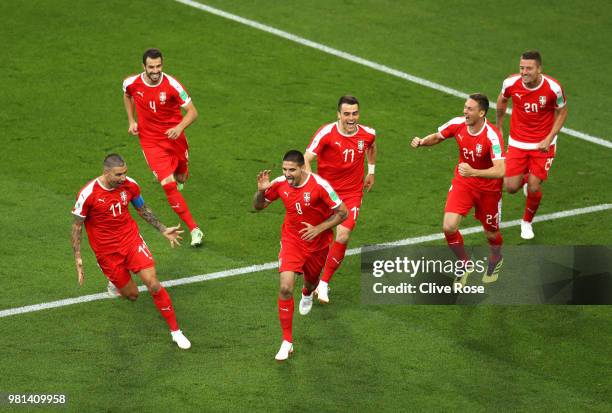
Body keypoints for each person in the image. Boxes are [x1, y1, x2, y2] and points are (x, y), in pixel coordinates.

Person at [71, 154, 191, 349]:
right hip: (107, 252)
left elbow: (142, 208)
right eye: (119, 174)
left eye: (125, 173)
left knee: (153, 283)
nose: (123, 178)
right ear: (106, 172)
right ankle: (113, 280)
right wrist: (78, 257)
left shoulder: (130, 185)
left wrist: (162, 229)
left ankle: (176, 332)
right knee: (132, 295)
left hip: (131, 241)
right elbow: (77, 226)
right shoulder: (88, 194)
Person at [253, 150, 348, 361]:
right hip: (292, 241)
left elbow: (343, 212)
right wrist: (261, 191)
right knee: (285, 287)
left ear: (303, 168)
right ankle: (287, 341)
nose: (287, 174)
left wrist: (319, 228)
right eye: (285, 169)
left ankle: (307, 291)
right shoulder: (279, 183)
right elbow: (258, 206)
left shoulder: (320, 186)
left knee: (312, 281)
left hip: (318, 244)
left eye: (292, 170)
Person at [411, 94, 505, 285]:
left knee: (491, 233)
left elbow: (501, 170)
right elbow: (438, 136)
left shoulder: (492, 136)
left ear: (481, 112)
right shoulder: (458, 123)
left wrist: (474, 171)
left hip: (489, 188)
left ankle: (496, 258)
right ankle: (464, 263)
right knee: (449, 226)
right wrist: (422, 142)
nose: (465, 111)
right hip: (464, 181)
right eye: (465, 107)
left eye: (470, 109)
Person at [122, 48, 204, 247]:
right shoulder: (131, 83)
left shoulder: (172, 85)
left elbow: (193, 112)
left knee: (181, 177)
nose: (155, 70)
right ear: (144, 67)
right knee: (168, 184)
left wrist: (179, 127)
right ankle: (195, 229)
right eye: (151, 67)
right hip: (150, 142)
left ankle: (181, 171)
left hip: (174, 137)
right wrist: (131, 120)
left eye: (159, 66)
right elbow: (127, 95)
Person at [304, 95, 376, 304]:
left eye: (354, 113)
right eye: (346, 114)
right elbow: (307, 157)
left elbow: (371, 147)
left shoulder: (368, 134)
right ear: (339, 115)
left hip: (351, 194)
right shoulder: (326, 132)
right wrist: (314, 184)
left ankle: (324, 283)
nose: (351, 117)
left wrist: (371, 171)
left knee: (343, 235)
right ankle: (309, 277)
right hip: (326, 193)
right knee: (316, 238)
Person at [496, 50, 568, 239]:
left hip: (543, 144)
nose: (524, 72)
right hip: (518, 142)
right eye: (521, 68)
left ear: (539, 69)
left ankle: (527, 221)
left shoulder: (553, 88)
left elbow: (562, 112)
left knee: (534, 187)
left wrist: (550, 137)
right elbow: (502, 100)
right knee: (511, 187)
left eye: (529, 68)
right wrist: (499, 127)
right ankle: (527, 178)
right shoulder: (511, 83)